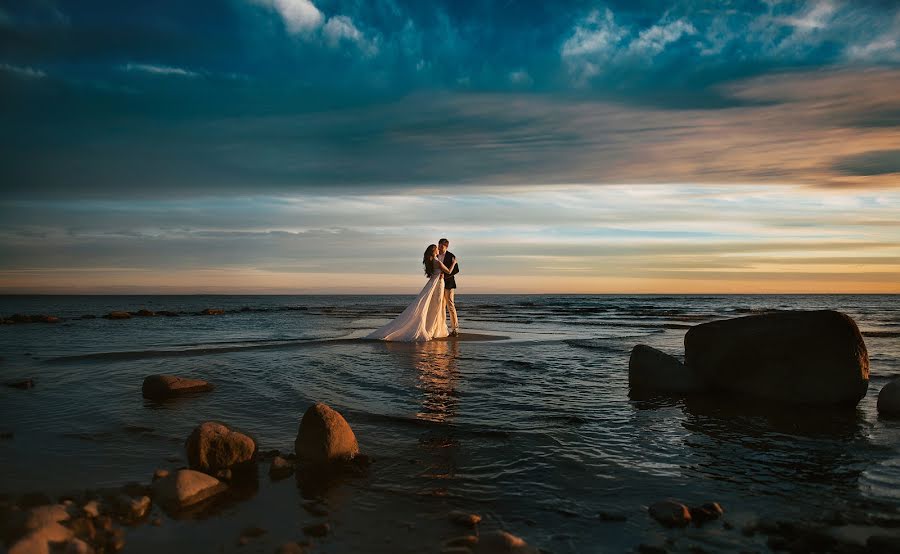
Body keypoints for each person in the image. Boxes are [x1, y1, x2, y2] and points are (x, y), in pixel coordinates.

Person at [366, 244, 458, 342]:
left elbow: (438, 272)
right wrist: (454, 263)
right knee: (436, 306)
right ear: (434, 251)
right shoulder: (438, 262)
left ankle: (433, 328)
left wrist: (441, 273)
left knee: (433, 306)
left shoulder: (431, 261)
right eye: (436, 249)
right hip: (438, 284)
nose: (438, 250)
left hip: (432, 282)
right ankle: (431, 329)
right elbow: (448, 271)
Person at [437, 238, 460, 336]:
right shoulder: (436, 255)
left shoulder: (451, 256)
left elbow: (456, 270)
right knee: (440, 306)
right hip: (438, 284)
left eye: (442, 246)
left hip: (449, 284)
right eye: (439, 245)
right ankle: (442, 327)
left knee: (450, 305)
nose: (440, 248)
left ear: (446, 246)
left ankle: (455, 329)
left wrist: (444, 276)